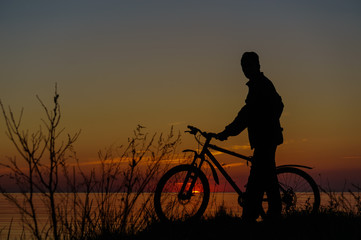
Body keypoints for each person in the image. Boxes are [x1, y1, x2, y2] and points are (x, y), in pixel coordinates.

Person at [215, 51, 283, 222]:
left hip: (265, 139)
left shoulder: (261, 85)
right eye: (243, 66)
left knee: (257, 182)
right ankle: (266, 216)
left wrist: (227, 132)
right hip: (266, 139)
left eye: (249, 65)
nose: (246, 69)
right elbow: (248, 114)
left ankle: (252, 218)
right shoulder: (258, 85)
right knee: (266, 179)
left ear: (257, 66)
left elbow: (246, 115)